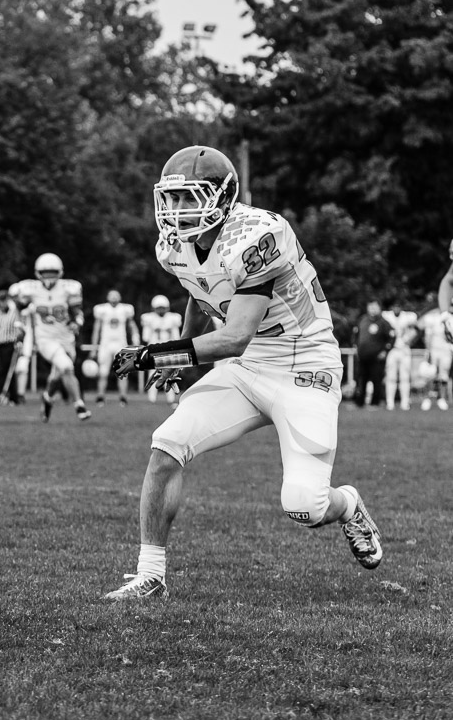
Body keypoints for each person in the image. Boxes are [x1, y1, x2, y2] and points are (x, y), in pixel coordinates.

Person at [106, 145, 383, 599]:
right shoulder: (173, 246)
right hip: (249, 365)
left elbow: (233, 335)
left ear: (222, 197)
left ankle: (348, 504)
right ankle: (150, 575)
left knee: (304, 506)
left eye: (189, 198)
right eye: (172, 199)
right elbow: (199, 294)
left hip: (303, 365)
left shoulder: (256, 236)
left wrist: (156, 354)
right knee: (167, 446)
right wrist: (180, 363)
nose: (177, 211)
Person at [15, 253, 89, 422]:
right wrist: (20, 327)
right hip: (45, 339)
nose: (49, 276)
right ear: (38, 273)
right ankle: (79, 405)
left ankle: (47, 399)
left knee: (57, 375)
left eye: (52, 272)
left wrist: (77, 323)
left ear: (60, 272)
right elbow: (19, 309)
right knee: (67, 367)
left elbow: (78, 312)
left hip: (66, 338)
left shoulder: (68, 288)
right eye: (45, 272)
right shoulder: (31, 289)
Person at [91, 289, 139, 406]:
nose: (113, 298)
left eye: (115, 296)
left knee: (123, 372)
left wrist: (136, 339)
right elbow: (96, 329)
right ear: (107, 297)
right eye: (111, 296)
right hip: (105, 344)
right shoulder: (102, 310)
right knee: (103, 372)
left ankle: (123, 397)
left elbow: (132, 325)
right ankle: (100, 397)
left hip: (120, 344)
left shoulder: (125, 309)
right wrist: (93, 347)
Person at [139, 295, 183, 404]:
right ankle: (152, 399)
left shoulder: (173, 318)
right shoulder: (149, 318)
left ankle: (171, 399)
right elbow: (145, 337)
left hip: (168, 349)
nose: (161, 310)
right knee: (153, 374)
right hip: (154, 349)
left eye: (162, 307)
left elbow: (176, 337)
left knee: (170, 374)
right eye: (159, 307)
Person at [351, 301, 391, 408]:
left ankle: (375, 403)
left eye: (375, 307)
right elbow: (355, 334)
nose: (373, 309)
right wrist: (355, 346)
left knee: (376, 381)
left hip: (376, 358)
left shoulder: (383, 323)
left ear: (379, 308)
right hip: (362, 357)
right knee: (361, 380)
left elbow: (391, 338)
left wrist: (385, 351)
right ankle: (359, 403)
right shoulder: (362, 320)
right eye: (371, 307)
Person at [0, 286, 26, 405]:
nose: (2, 302)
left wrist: (19, 341)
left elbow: (21, 329)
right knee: (1, 371)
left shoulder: (14, 312)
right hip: (0, 345)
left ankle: (5, 396)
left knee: (7, 371)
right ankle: (4, 396)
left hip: (11, 345)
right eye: (0, 300)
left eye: (4, 300)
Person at [382, 303, 419, 411]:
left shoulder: (409, 317)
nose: (396, 308)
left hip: (404, 349)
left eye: (398, 306)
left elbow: (417, 329)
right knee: (391, 377)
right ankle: (390, 403)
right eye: (395, 306)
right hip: (392, 349)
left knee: (405, 377)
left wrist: (409, 339)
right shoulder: (386, 316)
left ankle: (405, 402)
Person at [418, 302, 451, 411]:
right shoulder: (433, 317)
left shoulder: (450, 318)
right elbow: (428, 336)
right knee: (430, 375)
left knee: (443, 375)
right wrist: (429, 351)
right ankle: (427, 398)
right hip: (434, 349)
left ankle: (441, 398)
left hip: (446, 350)